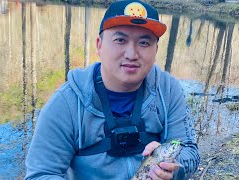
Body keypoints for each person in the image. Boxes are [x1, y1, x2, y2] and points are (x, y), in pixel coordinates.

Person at [25, 0, 200, 179]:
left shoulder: (169, 91)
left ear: (156, 49)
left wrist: (175, 170)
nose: (131, 54)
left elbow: (188, 149)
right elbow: (42, 173)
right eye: (120, 40)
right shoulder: (66, 103)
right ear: (99, 45)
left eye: (144, 43)